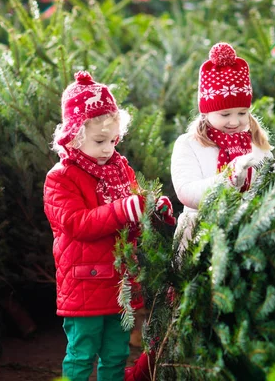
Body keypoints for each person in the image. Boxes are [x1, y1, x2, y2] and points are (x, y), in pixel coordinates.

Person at [43, 70, 174, 381]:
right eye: (99, 141)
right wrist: (122, 208)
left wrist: (152, 213)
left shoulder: (120, 170)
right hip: (84, 283)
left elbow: (132, 220)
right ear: (74, 135)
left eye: (113, 140)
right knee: (82, 353)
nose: (108, 149)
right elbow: (76, 224)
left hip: (121, 287)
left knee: (116, 353)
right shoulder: (61, 177)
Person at [171, 42, 275, 246]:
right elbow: (187, 193)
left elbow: (265, 190)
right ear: (206, 111)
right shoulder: (189, 145)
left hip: (249, 234)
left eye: (242, 113)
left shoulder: (254, 141)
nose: (234, 121)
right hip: (199, 237)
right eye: (225, 114)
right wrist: (227, 180)